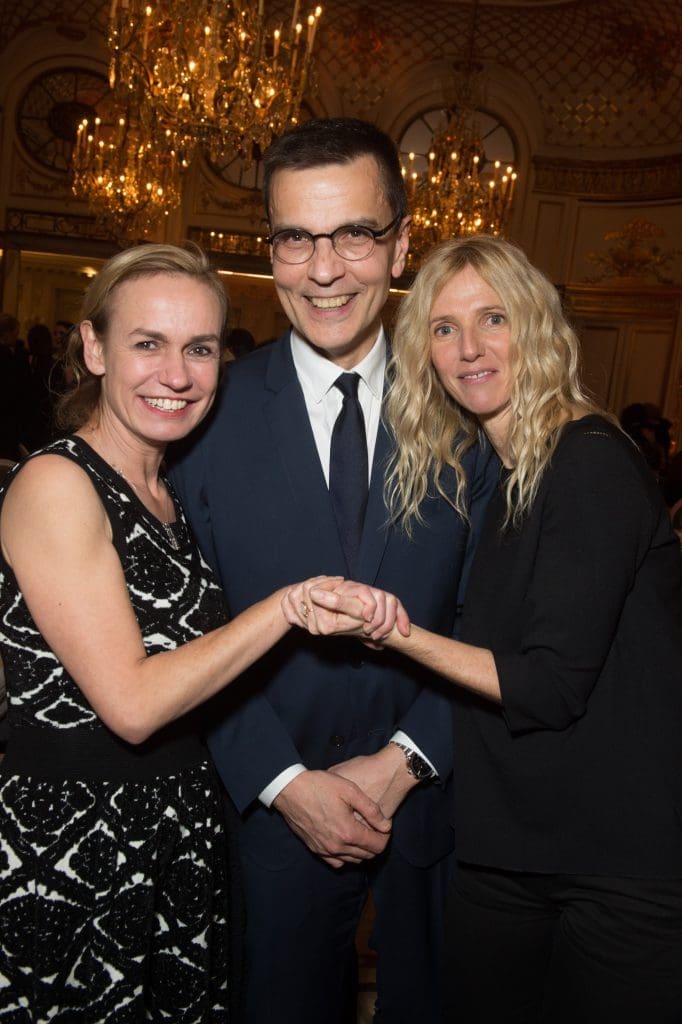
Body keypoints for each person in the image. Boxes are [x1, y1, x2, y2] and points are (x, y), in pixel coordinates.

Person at [300, 235, 682, 1023]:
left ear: (536, 326)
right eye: (443, 328)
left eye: (493, 319)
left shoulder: (590, 462)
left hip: (614, 867)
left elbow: (545, 686)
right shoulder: (508, 475)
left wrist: (389, 627)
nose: (469, 348)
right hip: (511, 848)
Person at [169, 118, 496, 1024]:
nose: (323, 270)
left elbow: (496, 615)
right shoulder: (205, 417)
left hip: (444, 814)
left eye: (354, 234)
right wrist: (282, 780)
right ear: (268, 247)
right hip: (273, 822)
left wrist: (407, 759)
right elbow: (187, 626)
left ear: (400, 244)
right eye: (296, 237)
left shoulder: (473, 412)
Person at [0, 244, 380, 1021]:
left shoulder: (165, 489)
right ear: (94, 347)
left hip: (174, 837)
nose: (176, 374)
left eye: (199, 348)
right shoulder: (57, 483)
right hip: (80, 849)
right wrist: (283, 608)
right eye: (148, 343)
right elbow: (133, 704)